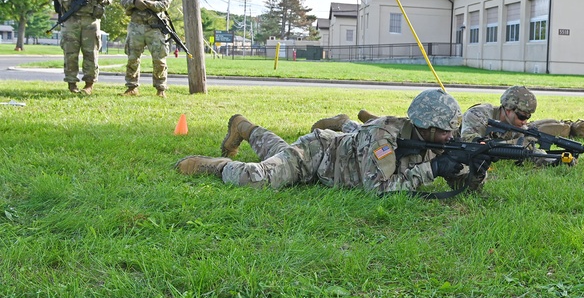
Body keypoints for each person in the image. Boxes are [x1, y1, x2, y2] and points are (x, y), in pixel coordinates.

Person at [174, 88, 474, 195]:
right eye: (444, 131)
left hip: (340, 154)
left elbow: (463, 185)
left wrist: (474, 169)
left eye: (452, 130)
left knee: (278, 151)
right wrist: (432, 170)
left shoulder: (441, 140)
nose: (450, 137)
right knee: (259, 177)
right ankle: (216, 166)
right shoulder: (385, 135)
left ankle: (244, 127)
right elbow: (379, 189)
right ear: (424, 126)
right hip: (319, 153)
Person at [46, 0, 114, 94]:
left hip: (90, 21)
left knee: (91, 54)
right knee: (70, 53)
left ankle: (89, 85)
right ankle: (72, 84)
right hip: (70, 20)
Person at [119, 0, 173, 97]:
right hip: (136, 27)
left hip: (154, 28)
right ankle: (131, 87)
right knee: (132, 58)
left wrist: (148, 4)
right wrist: (134, 2)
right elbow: (123, 0)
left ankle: (160, 89)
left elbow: (165, 3)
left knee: (159, 60)